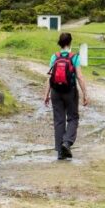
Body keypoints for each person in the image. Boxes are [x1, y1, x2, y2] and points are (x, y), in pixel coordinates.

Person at [43, 32, 89, 160]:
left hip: (56, 92)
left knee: (59, 120)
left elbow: (49, 77)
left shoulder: (54, 57)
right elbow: (79, 76)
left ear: (60, 42)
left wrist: (46, 94)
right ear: (70, 43)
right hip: (70, 91)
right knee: (73, 118)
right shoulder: (74, 57)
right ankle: (67, 142)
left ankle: (60, 152)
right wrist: (85, 93)